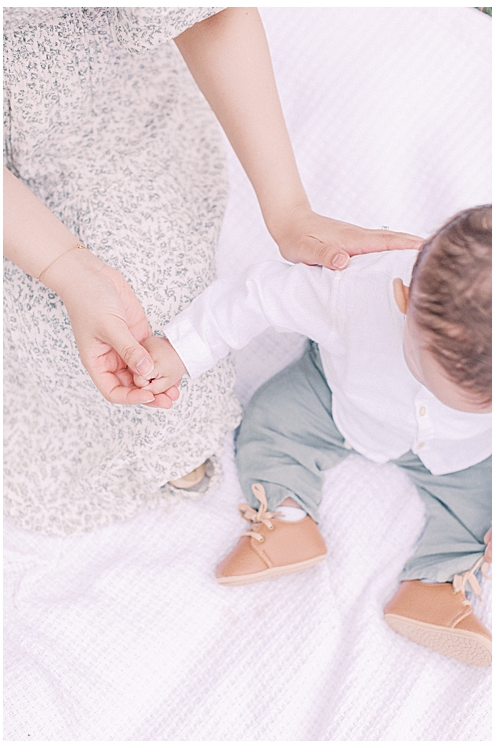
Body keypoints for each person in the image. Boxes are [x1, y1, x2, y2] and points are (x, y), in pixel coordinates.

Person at [2, 7, 422, 534]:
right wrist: (65, 268)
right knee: (86, 338)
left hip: (100, 108)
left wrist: (289, 210)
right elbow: (258, 297)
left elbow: (212, 14)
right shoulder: (364, 295)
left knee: (138, 319)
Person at [139, 205, 492, 666]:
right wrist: (180, 350)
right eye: (427, 374)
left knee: (483, 510)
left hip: (459, 452)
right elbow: (256, 295)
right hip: (337, 398)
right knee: (272, 420)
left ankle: (436, 588)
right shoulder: (352, 289)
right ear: (404, 299)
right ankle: (288, 518)